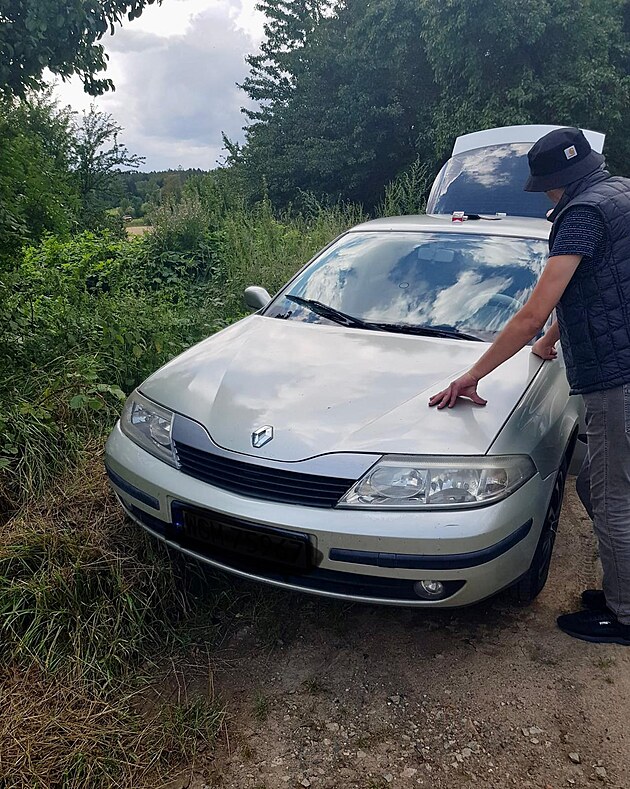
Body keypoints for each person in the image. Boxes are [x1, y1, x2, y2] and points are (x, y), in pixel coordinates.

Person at [429, 127, 630, 646]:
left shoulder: (581, 216)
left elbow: (533, 310)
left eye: (547, 187)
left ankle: (624, 614)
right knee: (601, 487)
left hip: (618, 377)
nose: (547, 195)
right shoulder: (619, 196)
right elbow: (601, 285)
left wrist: (471, 375)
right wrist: (551, 342)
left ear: (560, 183)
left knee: (610, 498)